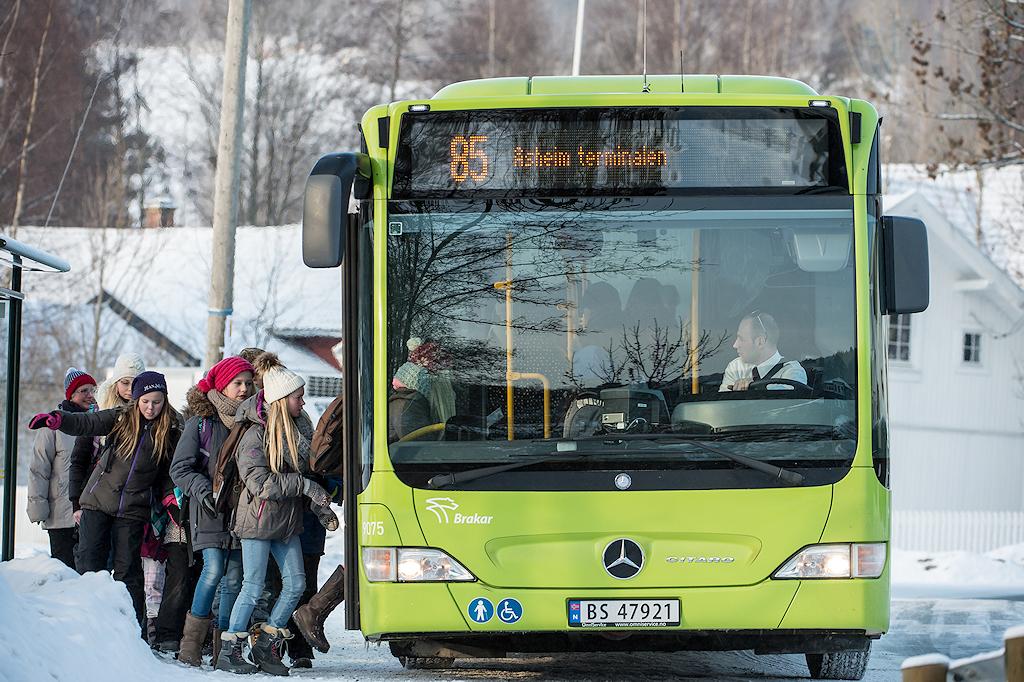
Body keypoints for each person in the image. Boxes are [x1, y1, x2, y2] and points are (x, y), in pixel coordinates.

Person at [28, 371, 180, 637]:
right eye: (145, 401)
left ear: (164, 401)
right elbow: (87, 424)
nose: (150, 407)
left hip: (133, 511)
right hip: (98, 502)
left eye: (156, 401)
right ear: (136, 398)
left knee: (127, 572)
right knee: (89, 564)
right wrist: (58, 420)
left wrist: (170, 499)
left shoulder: (169, 432)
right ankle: (82, 626)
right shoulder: (120, 418)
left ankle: (132, 634)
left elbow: (167, 474)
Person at [217, 354, 337, 676]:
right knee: (253, 585)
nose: (303, 401)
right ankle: (229, 649)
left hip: (287, 523)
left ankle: (266, 644)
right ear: (283, 400)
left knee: (296, 584)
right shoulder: (255, 436)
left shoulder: (297, 434)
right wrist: (306, 489)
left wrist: (320, 506)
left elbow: (307, 482)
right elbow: (260, 483)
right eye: (298, 396)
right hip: (257, 521)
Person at [170, 356, 255, 667]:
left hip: (241, 512)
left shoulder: (253, 422)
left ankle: (224, 650)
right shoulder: (201, 423)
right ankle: (190, 645)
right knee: (213, 570)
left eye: (248, 383)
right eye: (237, 383)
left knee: (234, 578)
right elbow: (180, 468)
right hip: (207, 509)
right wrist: (204, 491)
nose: (244, 389)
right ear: (223, 386)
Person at [27, 368, 97, 570]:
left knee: (88, 575)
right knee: (64, 573)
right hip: (61, 516)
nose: (90, 395)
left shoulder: (97, 423)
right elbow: (38, 469)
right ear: (71, 394)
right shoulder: (53, 426)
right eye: (84, 390)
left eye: (92, 390)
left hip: (90, 514)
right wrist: (38, 508)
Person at [719, 311, 807, 392]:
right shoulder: (736, 368)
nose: (735, 345)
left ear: (760, 342)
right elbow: (723, 405)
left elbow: (789, 403)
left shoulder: (792, 371)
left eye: (741, 339)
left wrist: (752, 388)